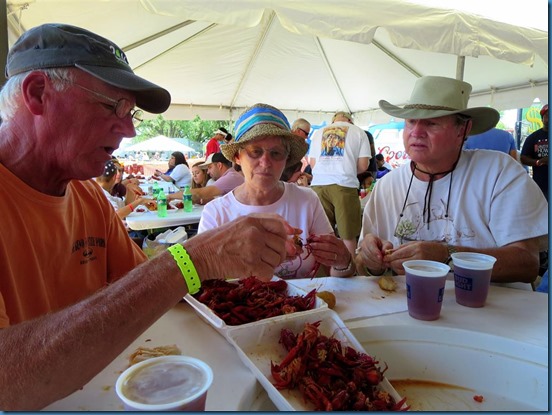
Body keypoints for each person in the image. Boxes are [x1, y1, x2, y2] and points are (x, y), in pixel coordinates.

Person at [0, 23, 303, 410]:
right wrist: (192, 258)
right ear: (37, 94)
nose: (128, 129)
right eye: (112, 106)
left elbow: (147, 290)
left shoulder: (89, 198)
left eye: (131, 113)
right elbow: (8, 379)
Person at [355, 76, 548, 284]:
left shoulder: (499, 172)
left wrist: (447, 255)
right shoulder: (387, 186)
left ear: (463, 130)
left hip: (490, 304)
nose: (416, 132)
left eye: (432, 123)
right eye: (411, 121)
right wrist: (371, 261)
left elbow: (527, 263)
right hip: (407, 303)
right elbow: (361, 266)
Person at [199, 103, 355, 279]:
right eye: (255, 151)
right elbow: (204, 280)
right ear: (237, 157)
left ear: (286, 159)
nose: (265, 162)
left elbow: (334, 274)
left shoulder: (307, 200)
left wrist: (344, 262)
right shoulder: (215, 213)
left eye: (276, 153)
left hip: (306, 298)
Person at [308, 111, 371, 259]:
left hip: (318, 185)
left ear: (333, 120)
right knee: (347, 234)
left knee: (321, 234)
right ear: (350, 120)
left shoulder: (318, 133)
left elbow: (312, 163)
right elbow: (363, 165)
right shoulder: (358, 132)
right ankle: (348, 269)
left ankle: (322, 270)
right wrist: (348, 169)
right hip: (345, 185)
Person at [168, 152, 244, 205]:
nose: (207, 172)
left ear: (219, 165)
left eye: (210, 167)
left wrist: (170, 196)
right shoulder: (231, 175)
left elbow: (198, 194)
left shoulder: (230, 177)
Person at [521, 104, 549, 202]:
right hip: (541, 185)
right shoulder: (533, 137)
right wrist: (539, 162)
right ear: (542, 119)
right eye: (547, 115)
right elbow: (523, 158)